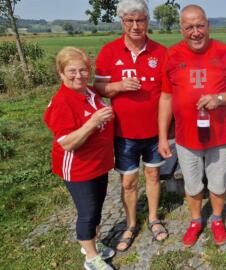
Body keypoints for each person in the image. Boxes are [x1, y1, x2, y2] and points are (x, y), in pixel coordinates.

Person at [158, 5, 226, 248]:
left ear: (208, 25)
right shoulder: (172, 55)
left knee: (218, 183)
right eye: (189, 27)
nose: (195, 32)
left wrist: (220, 98)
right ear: (181, 29)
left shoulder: (224, 52)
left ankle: (217, 219)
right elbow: (166, 98)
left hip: (218, 136)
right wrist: (161, 137)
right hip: (186, 137)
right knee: (193, 184)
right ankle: (196, 220)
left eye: (200, 25)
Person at [93, 0, 168, 251]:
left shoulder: (160, 52)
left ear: (148, 21)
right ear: (122, 22)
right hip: (124, 132)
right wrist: (118, 87)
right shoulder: (109, 51)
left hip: (155, 131)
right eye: (130, 21)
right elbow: (98, 88)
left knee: (153, 174)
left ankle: (154, 218)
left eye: (141, 20)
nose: (136, 26)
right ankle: (131, 224)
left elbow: (169, 93)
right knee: (128, 182)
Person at [44, 47, 115, 270]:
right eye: (72, 71)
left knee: (97, 207)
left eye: (83, 70)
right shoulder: (62, 102)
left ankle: (90, 244)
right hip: (78, 168)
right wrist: (92, 123)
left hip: (99, 163)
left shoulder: (91, 92)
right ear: (61, 73)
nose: (79, 76)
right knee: (87, 212)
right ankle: (91, 258)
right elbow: (66, 143)